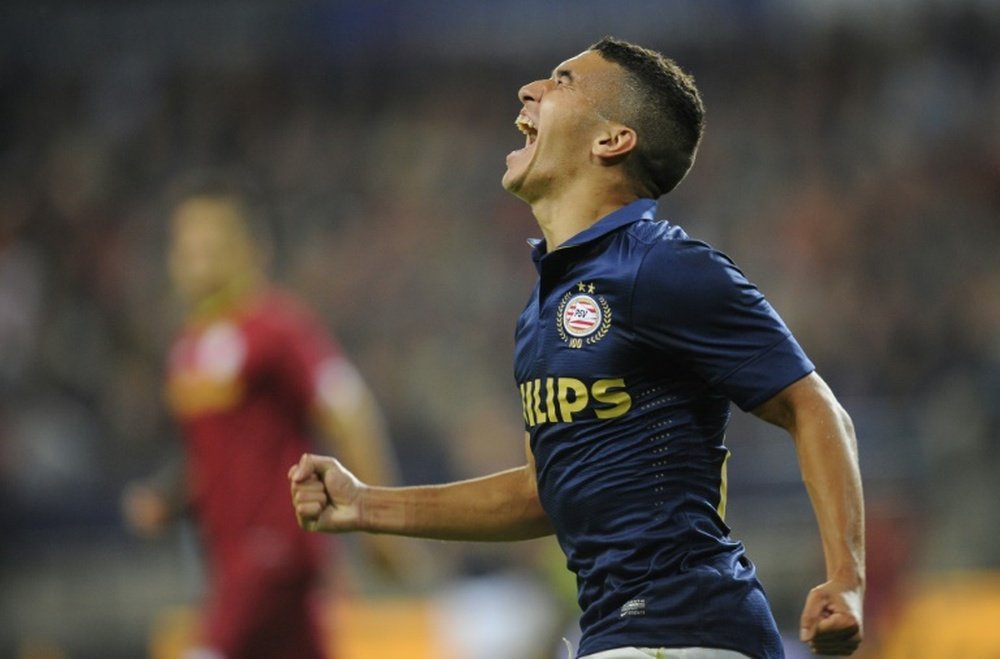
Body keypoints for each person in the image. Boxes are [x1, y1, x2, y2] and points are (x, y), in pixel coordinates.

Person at [290, 37, 865, 659]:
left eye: (562, 81)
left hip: (684, 631)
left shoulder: (663, 265)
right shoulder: (542, 307)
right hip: (624, 636)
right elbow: (543, 493)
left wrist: (848, 578)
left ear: (611, 141)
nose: (529, 90)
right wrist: (365, 503)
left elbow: (814, 407)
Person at [123, 177, 406, 659]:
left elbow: (351, 411)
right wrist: (169, 501)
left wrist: (379, 519)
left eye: (209, 247)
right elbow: (214, 455)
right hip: (229, 561)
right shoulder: (187, 349)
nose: (194, 261)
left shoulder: (277, 327)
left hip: (275, 551)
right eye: (185, 248)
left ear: (249, 250)